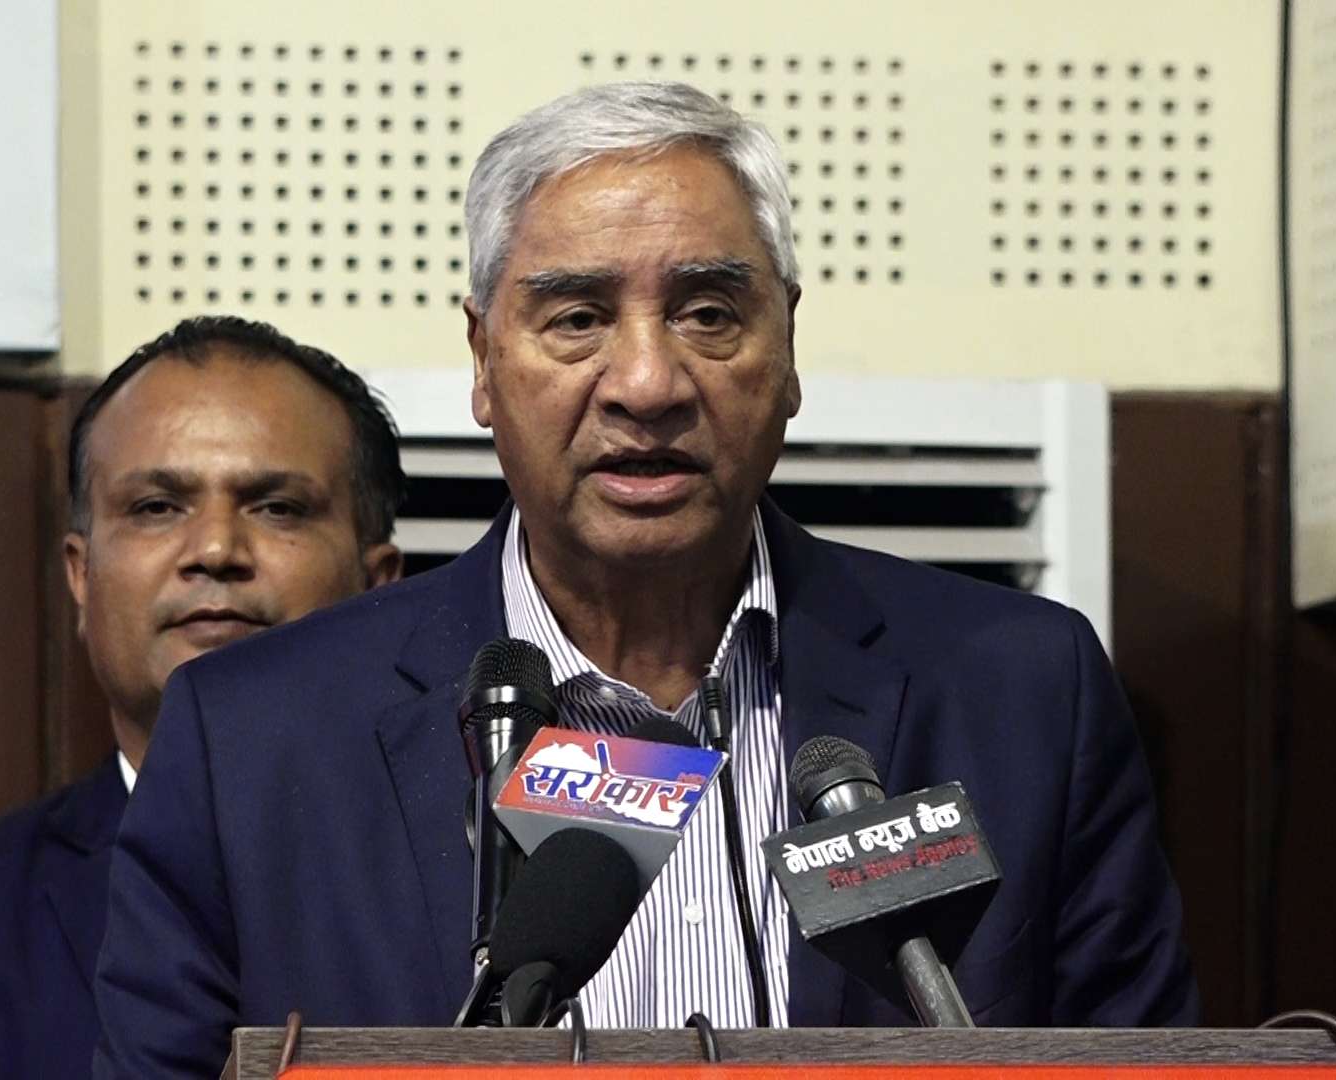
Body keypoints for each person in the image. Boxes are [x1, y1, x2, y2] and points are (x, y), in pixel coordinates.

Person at [93, 82, 1198, 1077]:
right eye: (577, 318)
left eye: (708, 313)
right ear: (483, 362)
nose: (647, 382)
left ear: (787, 348)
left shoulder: (1023, 691)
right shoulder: (253, 738)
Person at [0, 316, 406, 1078]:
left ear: (378, 587)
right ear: (81, 578)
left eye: (277, 507)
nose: (215, 550)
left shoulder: (492, 896)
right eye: (156, 506)